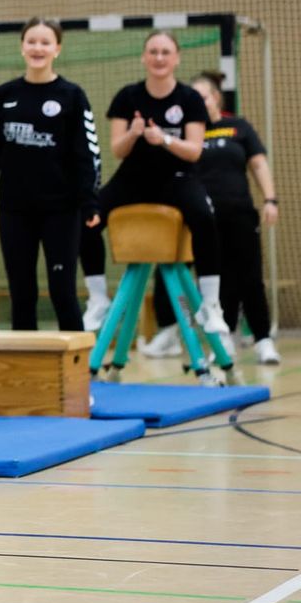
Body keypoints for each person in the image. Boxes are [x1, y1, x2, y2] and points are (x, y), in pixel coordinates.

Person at [79, 31, 227, 339]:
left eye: (165, 52)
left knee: (204, 216)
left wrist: (165, 139)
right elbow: (118, 149)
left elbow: (195, 150)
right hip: (133, 178)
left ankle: (211, 305)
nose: (159, 58)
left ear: (176, 58)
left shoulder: (188, 99)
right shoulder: (127, 97)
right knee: (88, 217)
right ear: (144, 57)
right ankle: (97, 298)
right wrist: (133, 134)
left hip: (177, 178)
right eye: (153, 52)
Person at [0, 19, 100, 331]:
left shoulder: (72, 95)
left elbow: (87, 153)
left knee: (62, 292)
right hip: (15, 209)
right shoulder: (3, 96)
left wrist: (90, 202)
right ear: (22, 46)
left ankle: (76, 373)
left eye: (45, 42)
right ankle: (24, 376)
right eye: (32, 41)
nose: (38, 48)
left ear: (57, 48)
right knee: (21, 293)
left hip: (61, 210)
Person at [146, 73, 280, 363]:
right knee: (172, 270)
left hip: (238, 213)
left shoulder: (238, 127)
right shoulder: (185, 133)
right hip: (197, 218)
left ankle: (263, 340)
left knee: (248, 278)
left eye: (202, 97)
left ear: (216, 97)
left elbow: (258, 163)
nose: (196, 103)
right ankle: (170, 332)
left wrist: (270, 199)